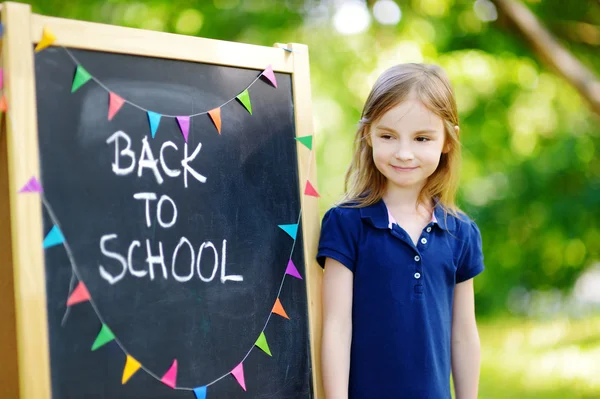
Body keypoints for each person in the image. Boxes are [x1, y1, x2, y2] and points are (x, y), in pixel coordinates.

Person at [317, 63, 484, 399]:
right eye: (388, 136)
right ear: (368, 135)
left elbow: (463, 334)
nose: (404, 153)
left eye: (422, 138)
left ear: (447, 141)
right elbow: (335, 326)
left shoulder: (461, 233)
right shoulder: (346, 223)